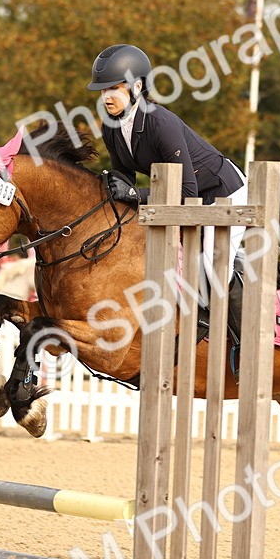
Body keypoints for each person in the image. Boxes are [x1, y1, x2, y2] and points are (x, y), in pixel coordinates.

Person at [88, 43, 248, 349]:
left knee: (213, 264)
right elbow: (125, 182)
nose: (106, 97)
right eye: (102, 90)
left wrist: (136, 194)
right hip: (181, 196)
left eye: (114, 88)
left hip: (224, 193)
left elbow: (186, 193)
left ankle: (244, 342)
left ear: (137, 86)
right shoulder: (111, 127)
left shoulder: (160, 122)